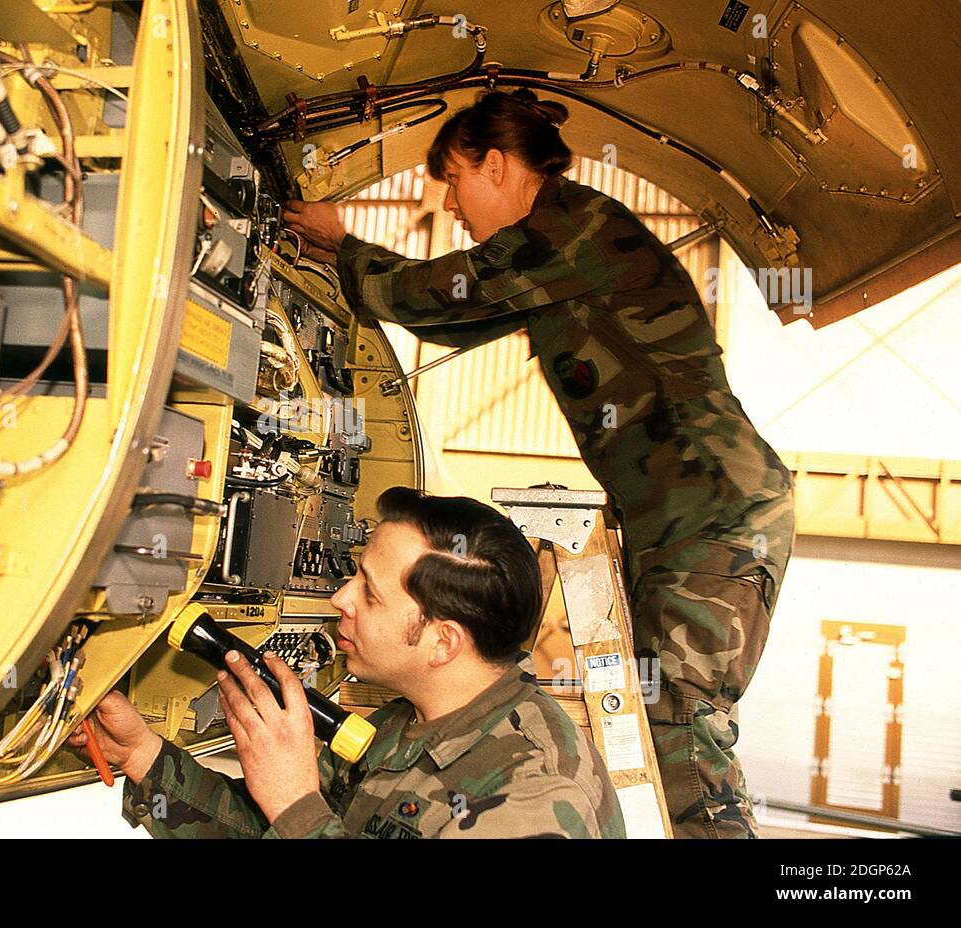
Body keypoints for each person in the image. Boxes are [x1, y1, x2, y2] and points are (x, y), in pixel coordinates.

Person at [282, 89, 795, 838]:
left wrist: (347, 242)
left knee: (683, 719)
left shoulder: (571, 226)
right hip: (684, 511)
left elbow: (442, 294)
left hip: (713, 506)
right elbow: (458, 320)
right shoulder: (552, 251)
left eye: (455, 181)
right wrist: (338, 270)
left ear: (496, 165)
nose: (452, 206)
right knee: (668, 717)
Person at [91, 487, 625, 838]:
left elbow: (297, 819)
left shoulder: (533, 793)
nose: (340, 599)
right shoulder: (404, 725)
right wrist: (140, 754)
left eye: (369, 593)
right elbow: (270, 828)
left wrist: (296, 801)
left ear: (443, 643)